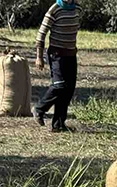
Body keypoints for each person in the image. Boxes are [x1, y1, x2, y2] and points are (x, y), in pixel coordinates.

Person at [32, 0, 82, 132]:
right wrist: (39, 57)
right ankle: (39, 109)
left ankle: (58, 125)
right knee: (59, 85)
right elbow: (41, 35)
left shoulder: (77, 9)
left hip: (71, 54)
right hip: (56, 54)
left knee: (68, 89)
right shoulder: (54, 10)